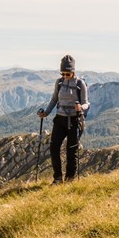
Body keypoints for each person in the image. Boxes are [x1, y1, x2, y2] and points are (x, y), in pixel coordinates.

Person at [37, 55, 90, 184]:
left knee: (72, 150)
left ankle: (70, 179)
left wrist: (80, 107)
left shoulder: (80, 84)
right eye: (63, 73)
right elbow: (54, 99)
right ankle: (58, 178)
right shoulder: (59, 82)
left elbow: (86, 103)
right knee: (54, 147)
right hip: (60, 119)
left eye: (68, 74)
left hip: (74, 120)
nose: (65, 76)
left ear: (73, 72)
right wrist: (46, 113)